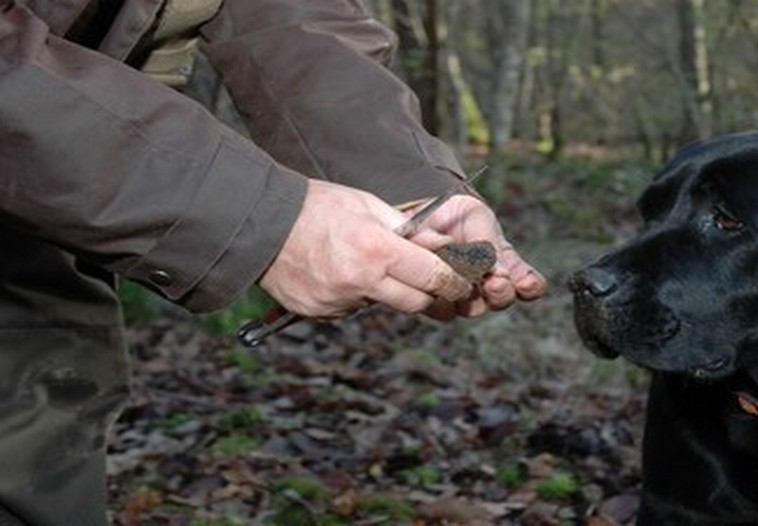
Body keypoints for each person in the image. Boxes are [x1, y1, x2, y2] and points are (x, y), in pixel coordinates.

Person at [0, 0, 548, 524]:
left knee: (40, 452)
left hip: (49, 203)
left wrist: (404, 183)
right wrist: (257, 215)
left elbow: (297, 18)